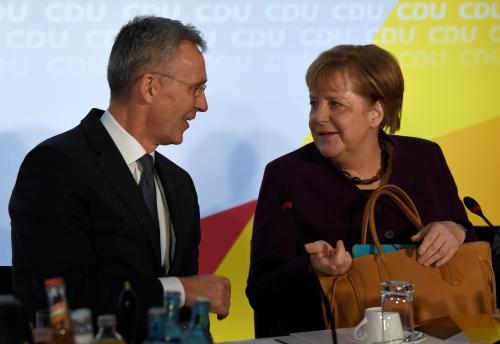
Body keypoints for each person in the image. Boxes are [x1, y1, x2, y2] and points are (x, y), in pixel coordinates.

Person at [9, 16, 230, 339]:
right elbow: (66, 301)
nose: (203, 104)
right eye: (196, 88)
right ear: (150, 86)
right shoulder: (55, 166)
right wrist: (180, 290)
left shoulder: (180, 184)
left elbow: (189, 318)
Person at [246, 44, 476, 337]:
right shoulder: (287, 175)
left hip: (433, 336)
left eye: (335, 104)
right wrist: (314, 269)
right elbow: (261, 291)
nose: (318, 116)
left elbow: (469, 242)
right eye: (314, 103)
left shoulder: (426, 158)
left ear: (375, 113)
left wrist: (456, 229)